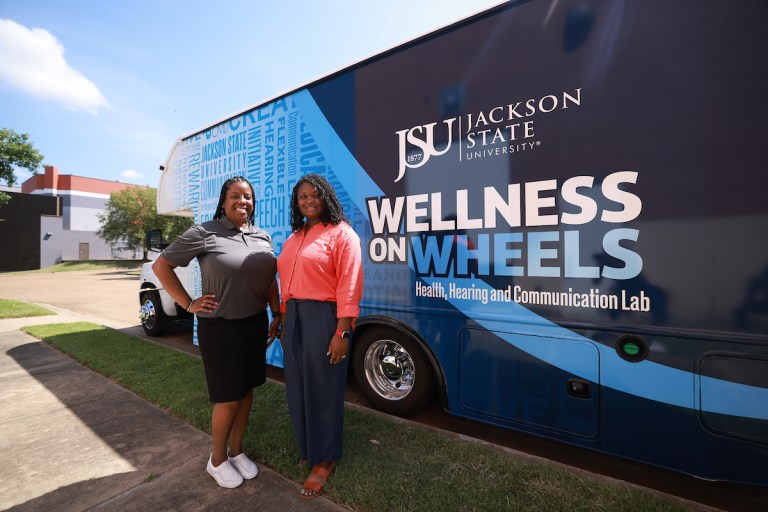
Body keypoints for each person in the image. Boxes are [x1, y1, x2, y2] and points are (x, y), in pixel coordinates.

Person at [152, 176, 280, 489]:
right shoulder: (205, 233)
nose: (243, 202)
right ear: (223, 201)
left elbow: (269, 280)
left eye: (248, 197)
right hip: (221, 327)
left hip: (255, 323)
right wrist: (187, 302)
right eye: (235, 196)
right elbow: (161, 265)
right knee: (228, 397)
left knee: (247, 391)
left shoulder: (261, 235)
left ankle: (237, 452)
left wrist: (277, 313)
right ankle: (218, 459)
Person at [276, 173, 363, 500]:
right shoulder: (294, 236)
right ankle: (309, 447)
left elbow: (349, 285)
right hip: (293, 317)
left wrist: (342, 330)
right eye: (302, 197)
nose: (308, 201)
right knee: (298, 387)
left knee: (323, 388)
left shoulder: (342, 234)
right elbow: (286, 281)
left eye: (314, 195)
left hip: (325, 318)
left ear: (326, 197)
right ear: (296, 203)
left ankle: (325, 459)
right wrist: (283, 320)